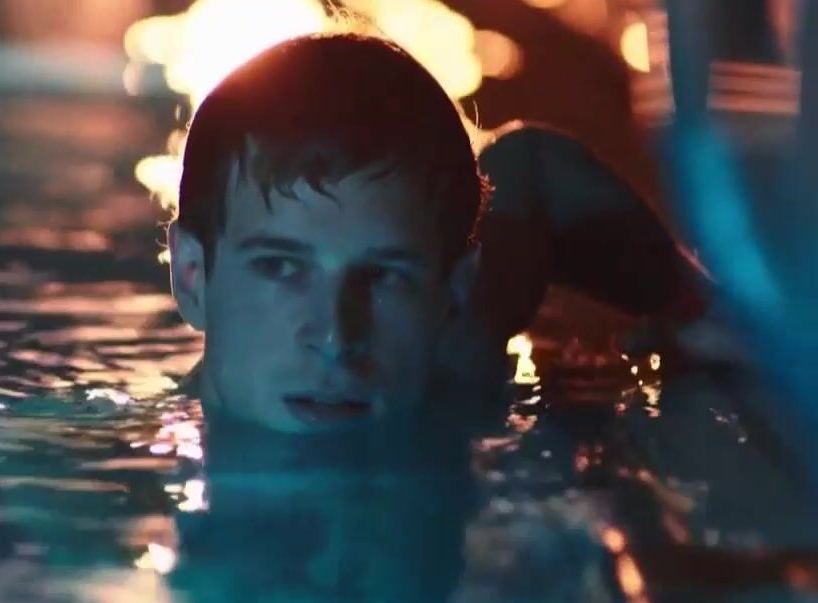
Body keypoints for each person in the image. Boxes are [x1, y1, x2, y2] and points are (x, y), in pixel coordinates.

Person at [166, 32, 715, 437]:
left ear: (452, 291)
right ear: (192, 277)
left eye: (383, 275)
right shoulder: (126, 461)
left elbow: (531, 163)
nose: (336, 337)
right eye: (281, 267)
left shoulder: (455, 365)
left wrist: (699, 309)